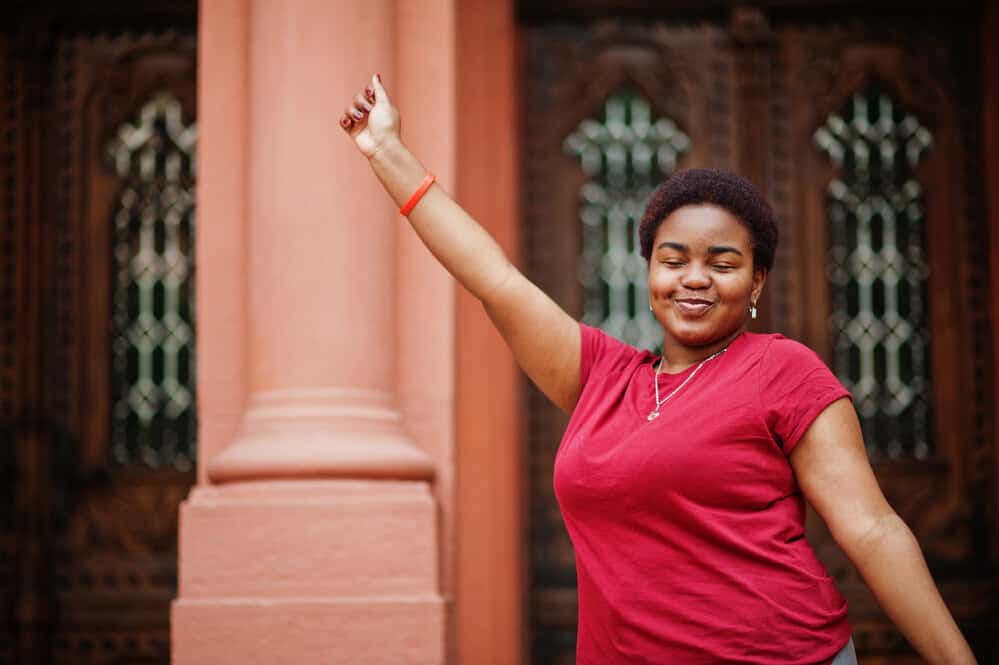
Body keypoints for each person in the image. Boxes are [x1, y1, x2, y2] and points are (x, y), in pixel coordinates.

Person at [339, 74, 977, 665]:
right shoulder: (600, 376)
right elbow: (494, 279)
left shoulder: (785, 370)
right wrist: (385, 152)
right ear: (649, 274)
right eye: (673, 260)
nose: (694, 279)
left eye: (722, 263)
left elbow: (871, 529)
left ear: (756, 281)